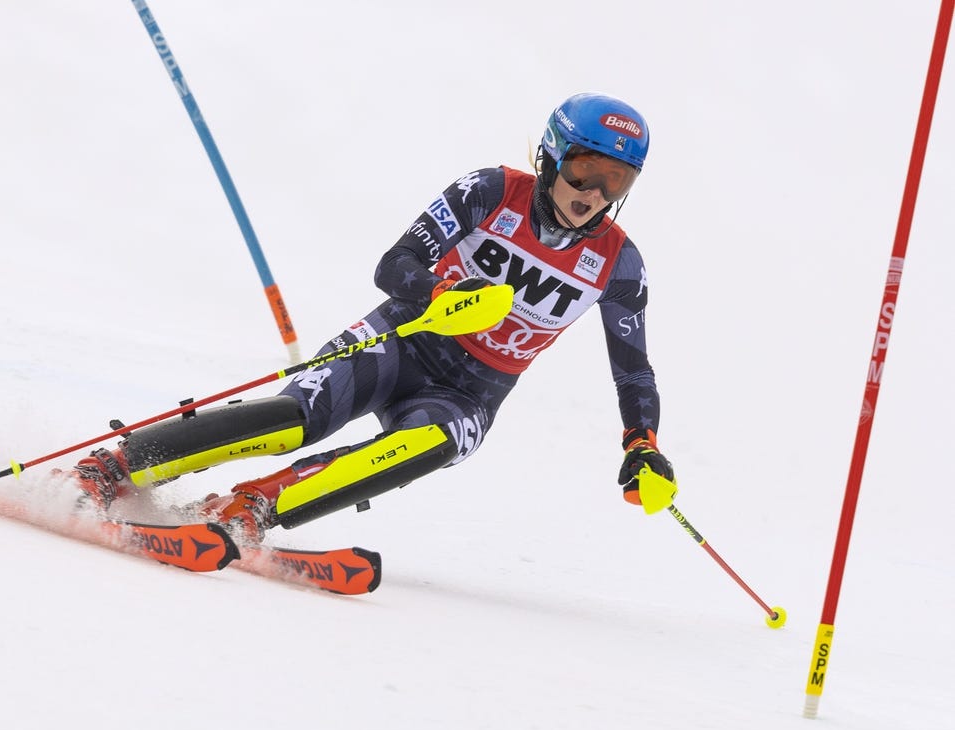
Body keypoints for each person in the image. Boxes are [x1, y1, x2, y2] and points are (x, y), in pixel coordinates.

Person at [70, 91, 676, 543]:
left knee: (430, 444)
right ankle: (116, 465)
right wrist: (437, 293)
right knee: (298, 420)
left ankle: (252, 507)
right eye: (583, 171)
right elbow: (396, 264)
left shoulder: (619, 264)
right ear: (550, 156)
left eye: (614, 180)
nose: (593, 192)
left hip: (471, 392)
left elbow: (633, 372)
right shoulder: (490, 191)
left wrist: (641, 445)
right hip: (402, 341)